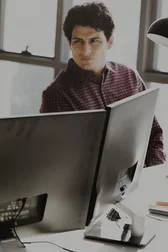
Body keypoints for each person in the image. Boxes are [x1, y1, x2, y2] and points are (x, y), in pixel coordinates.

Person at [40, 2, 165, 167]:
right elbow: (61, 163)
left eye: (94, 41)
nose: (85, 51)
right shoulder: (56, 94)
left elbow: (153, 134)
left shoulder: (129, 77)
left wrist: (152, 177)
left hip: (138, 181)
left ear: (110, 42)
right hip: (88, 190)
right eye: (78, 41)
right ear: (69, 43)